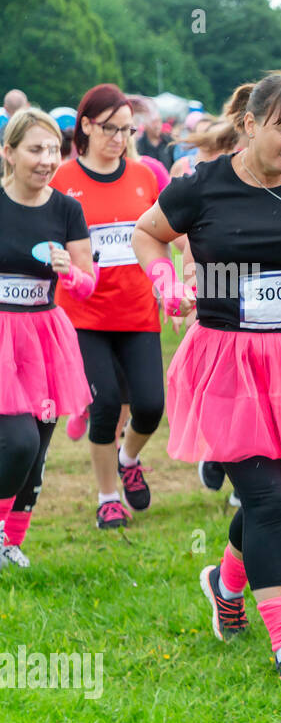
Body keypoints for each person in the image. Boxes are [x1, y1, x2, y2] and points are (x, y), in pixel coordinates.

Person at [133, 73, 281, 685]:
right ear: (251, 124)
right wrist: (167, 283)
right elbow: (147, 235)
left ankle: (224, 584)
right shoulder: (202, 185)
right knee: (261, 499)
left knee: (278, 495)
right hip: (229, 359)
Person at [51, 84, 164, 529]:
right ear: (85, 125)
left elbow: (167, 233)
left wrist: (181, 277)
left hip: (137, 311)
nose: (119, 138)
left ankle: (129, 456)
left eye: (126, 129)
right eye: (109, 128)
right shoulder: (62, 180)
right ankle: (106, 497)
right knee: (104, 405)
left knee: (152, 406)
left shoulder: (144, 177)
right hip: (84, 315)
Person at [0, 109, 94, 567]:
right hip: (1, 338)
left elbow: (87, 280)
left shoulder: (67, 209)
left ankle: (11, 543)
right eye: (36, 149)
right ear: (8, 153)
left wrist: (71, 275)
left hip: (43, 337)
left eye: (55, 150)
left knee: (37, 446)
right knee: (16, 442)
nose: (47, 159)